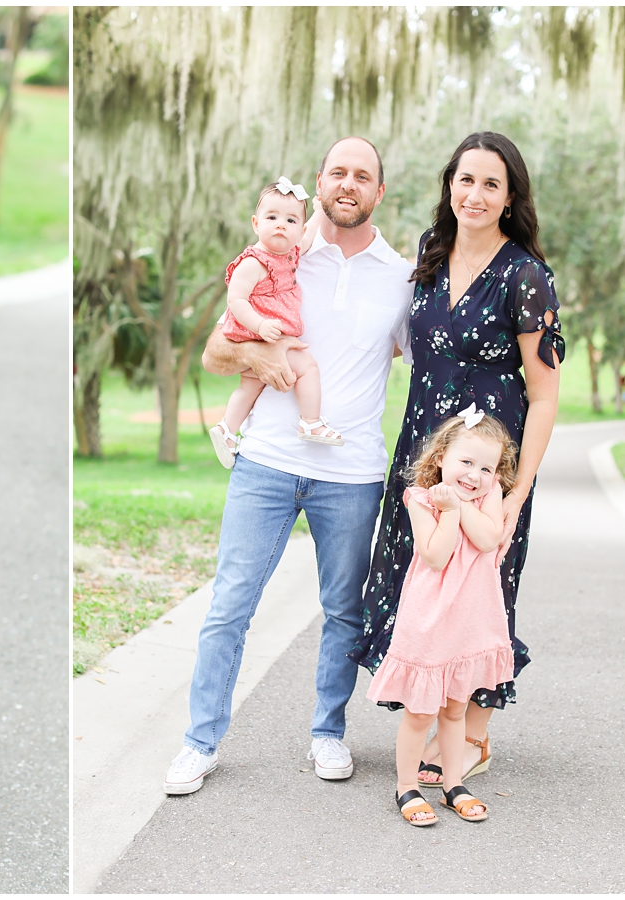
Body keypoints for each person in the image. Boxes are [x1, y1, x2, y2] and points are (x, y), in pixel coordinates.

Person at [164, 137, 414, 794]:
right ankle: (200, 742)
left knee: (343, 612)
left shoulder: (401, 276)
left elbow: (432, 362)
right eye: (338, 172)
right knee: (229, 606)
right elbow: (220, 351)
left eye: (363, 176)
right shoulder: (284, 256)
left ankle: (328, 733)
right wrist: (261, 361)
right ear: (319, 183)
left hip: (352, 471)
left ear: (378, 193)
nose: (349, 183)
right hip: (267, 463)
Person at [351, 132, 563, 789]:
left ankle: (472, 736)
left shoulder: (526, 276)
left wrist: (518, 488)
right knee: (415, 589)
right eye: (465, 180)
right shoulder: (429, 252)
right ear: (450, 185)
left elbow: (546, 392)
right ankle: (424, 722)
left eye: (490, 184)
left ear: (510, 198)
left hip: (488, 476)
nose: (475, 194)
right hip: (423, 459)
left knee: (477, 597)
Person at [366, 408, 517, 826]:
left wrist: (464, 503)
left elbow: (488, 540)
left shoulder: (490, 493)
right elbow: (435, 555)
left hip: (470, 618)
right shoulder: (420, 497)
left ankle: (453, 784)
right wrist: (448, 511)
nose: (475, 475)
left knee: (454, 708)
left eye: (486, 467)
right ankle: (406, 786)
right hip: (430, 618)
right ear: (440, 459)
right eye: (466, 463)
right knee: (421, 711)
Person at [209, 176, 341, 471]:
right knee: (307, 367)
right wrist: (259, 326)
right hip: (258, 333)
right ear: (256, 223)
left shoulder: (292, 253)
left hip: (267, 333)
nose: (281, 224)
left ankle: (227, 430)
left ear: (301, 229)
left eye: (291, 220)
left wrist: (319, 210)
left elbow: (308, 239)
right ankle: (311, 422)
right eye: (272, 217)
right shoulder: (253, 261)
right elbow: (236, 301)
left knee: (251, 385)